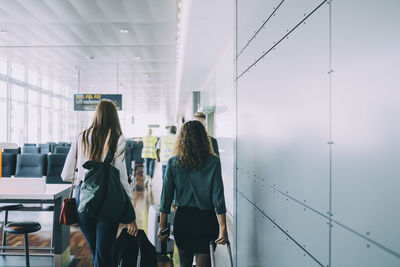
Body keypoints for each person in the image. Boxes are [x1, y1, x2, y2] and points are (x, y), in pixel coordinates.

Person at [61, 100, 138, 267]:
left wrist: (83, 175)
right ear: (114, 117)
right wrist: (130, 215)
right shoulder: (118, 139)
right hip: (108, 200)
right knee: (103, 254)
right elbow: (122, 180)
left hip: (83, 199)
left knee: (97, 251)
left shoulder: (81, 136)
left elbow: (65, 174)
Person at [158, 120, 228, 267]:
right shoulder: (213, 162)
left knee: (185, 264)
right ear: (204, 138)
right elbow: (218, 197)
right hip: (206, 221)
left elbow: (166, 198)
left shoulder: (173, 163)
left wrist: (161, 226)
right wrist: (223, 228)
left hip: (184, 221)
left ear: (181, 140)